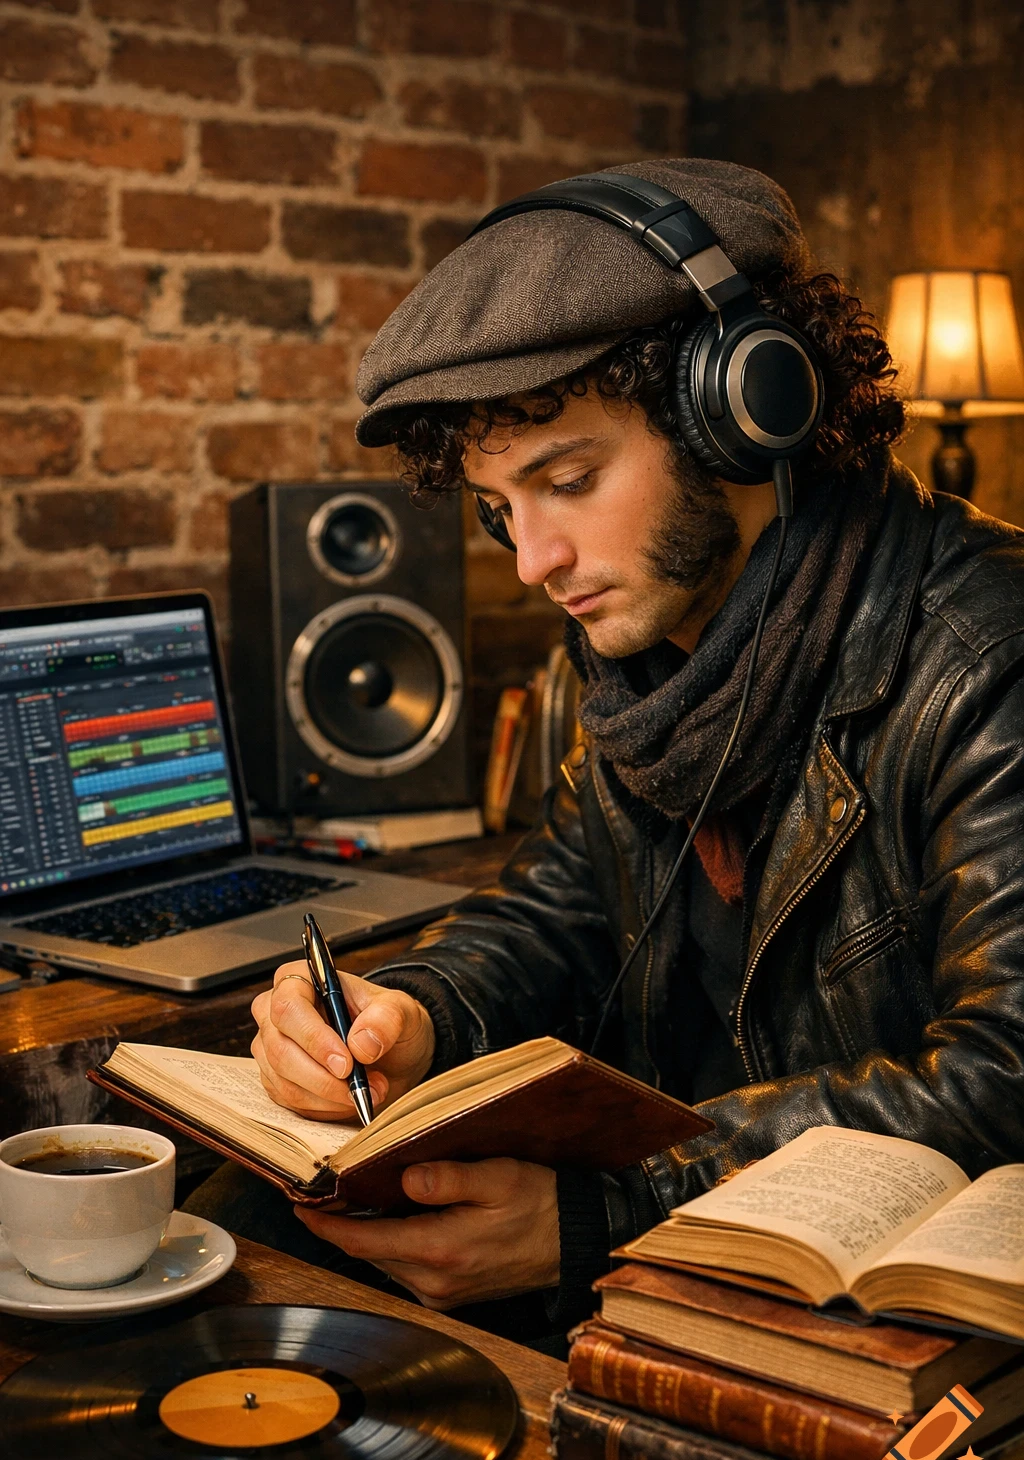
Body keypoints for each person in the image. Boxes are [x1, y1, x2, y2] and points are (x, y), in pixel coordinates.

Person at [187, 158, 1024, 1353]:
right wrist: (411, 1015)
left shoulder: (988, 649)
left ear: (746, 410)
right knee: (224, 1229)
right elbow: (559, 913)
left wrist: (609, 1213)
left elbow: (1002, 1076)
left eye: (568, 481)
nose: (533, 560)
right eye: (499, 508)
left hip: (885, 1321)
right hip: (676, 1240)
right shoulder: (648, 655)